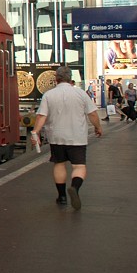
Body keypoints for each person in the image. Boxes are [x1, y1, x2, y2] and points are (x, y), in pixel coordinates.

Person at [30, 65, 102, 210]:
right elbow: (92, 114)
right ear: (70, 79)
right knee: (79, 166)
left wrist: (35, 131)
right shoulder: (81, 94)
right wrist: (98, 127)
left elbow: (41, 115)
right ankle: (75, 187)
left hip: (56, 137)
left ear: (56, 78)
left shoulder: (49, 95)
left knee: (59, 164)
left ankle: (62, 197)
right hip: (77, 137)